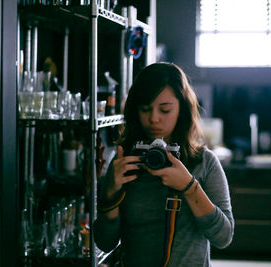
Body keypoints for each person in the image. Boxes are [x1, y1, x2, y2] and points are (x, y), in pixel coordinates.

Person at [93, 62, 234, 267]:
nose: (154, 119)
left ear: (182, 109)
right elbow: (105, 243)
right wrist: (111, 193)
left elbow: (223, 237)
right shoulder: (125, 162)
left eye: (165, 110)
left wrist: (189, 187)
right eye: (145, 109)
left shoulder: (204, 162)